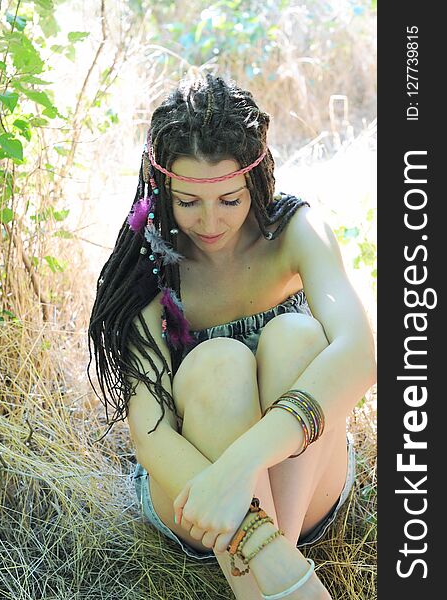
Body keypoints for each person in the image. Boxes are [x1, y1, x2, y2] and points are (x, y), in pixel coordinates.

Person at [87, 72, 376, 600]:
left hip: (304, 483)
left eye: (228, 199)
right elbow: (150, 438)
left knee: (297, 337)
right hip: (196, 497)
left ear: (256, 180)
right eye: (188, 201)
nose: (210, 222)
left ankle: (271, 561)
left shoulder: (295, 231)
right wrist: (231, 502)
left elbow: (360, 355)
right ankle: (275, 570)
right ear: (162, 188)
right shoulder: (151, 264)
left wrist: (241, 468)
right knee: (218, 361)